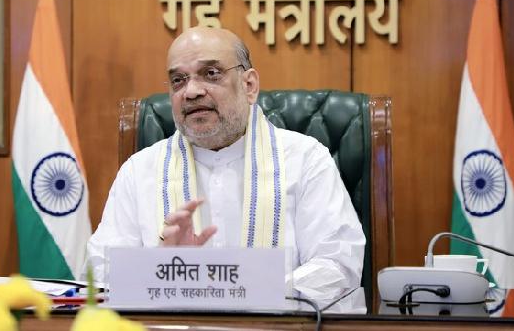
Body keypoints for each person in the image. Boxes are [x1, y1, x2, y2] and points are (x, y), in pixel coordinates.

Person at [86, 26, 365, 299]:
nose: (191, 91)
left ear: (249, 86)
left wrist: (239, 291)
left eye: (211, 73)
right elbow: (100, 275)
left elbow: (338, 266)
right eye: (178, 80)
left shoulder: (306, 160)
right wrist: (161, 269)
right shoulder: (139, 171)